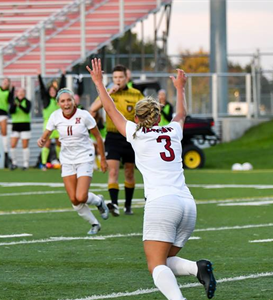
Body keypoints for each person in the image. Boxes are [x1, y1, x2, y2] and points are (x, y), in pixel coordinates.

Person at [88, 59, 216, 300]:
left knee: (156, 265)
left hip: (162, 203)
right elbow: (180, 113)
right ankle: (196, 268)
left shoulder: (136, 134)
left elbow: (110, 109)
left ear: (137, 118)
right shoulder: (173, 131)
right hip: (188, 204)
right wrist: (180, 88)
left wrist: (98, 83)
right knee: (164, 259)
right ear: (158, 118)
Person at [37, 88, 109, 235]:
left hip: (84, 158)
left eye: (69, 100)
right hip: (67, 160)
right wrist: (42, 139)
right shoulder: (55, 116)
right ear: (58, 104)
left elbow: (98, 137)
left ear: (74, 101)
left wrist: (103, 159)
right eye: (62, 101)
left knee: (81, 196)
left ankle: (99, 202)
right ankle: (94, 223)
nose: (66, 103)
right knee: (74, 200)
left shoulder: (84, 115)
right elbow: (46, 134)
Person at [89, 64, 144, 216]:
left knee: (129, 172)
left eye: (121, 77)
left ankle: (128, 205)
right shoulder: (108, 93)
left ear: (127, 78)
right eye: (115, 78)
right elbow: (93, 108)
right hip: (113, 136)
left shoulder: (136, 94)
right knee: (112, 171)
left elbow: (145, 113)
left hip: (130, 137)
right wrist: (108, 92)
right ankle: (114, 204)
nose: (118, 80)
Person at [38, 70, 66, 170]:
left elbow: (62, 88)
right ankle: (43, 163)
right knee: (47, 142)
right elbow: (41, 89)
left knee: (59, 142)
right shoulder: (46, 100)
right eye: (50, 91)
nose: (52, 92)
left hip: (59, 124)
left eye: (53, 90)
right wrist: (39, 76)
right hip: (48, 123)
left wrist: (63, 75)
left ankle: (60, 161)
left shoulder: (58, 100)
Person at [9, 87, 31, 171]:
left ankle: (26, 163)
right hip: (15, 126)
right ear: (17, 93)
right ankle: (14, 163)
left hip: (25, 126)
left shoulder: (28, 102)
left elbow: (27, 111)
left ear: (24, 93)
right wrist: (15, 105)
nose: (20, 93)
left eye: (22, 92)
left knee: (25, 146)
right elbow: (11, 111)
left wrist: (20, 105)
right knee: (13, 145)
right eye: (19, 92)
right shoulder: (13, 102)